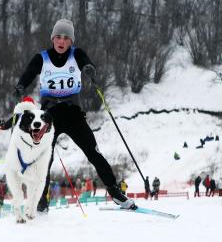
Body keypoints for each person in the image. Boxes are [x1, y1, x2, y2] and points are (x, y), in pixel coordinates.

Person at [12, 19, 136, 212]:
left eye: (66, 38)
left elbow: (86, 62)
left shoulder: (76, 54)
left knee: (94, 153)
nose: (62, 41)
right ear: (53, 38)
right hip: (49, 117)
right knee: (45, 158)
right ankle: (41, 199)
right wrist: (21, 85)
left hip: (73, 115)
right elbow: (29, 72)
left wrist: (88, 68)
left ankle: (115, 191)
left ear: (71, 41)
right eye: (58, 37)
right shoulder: (41, 58)